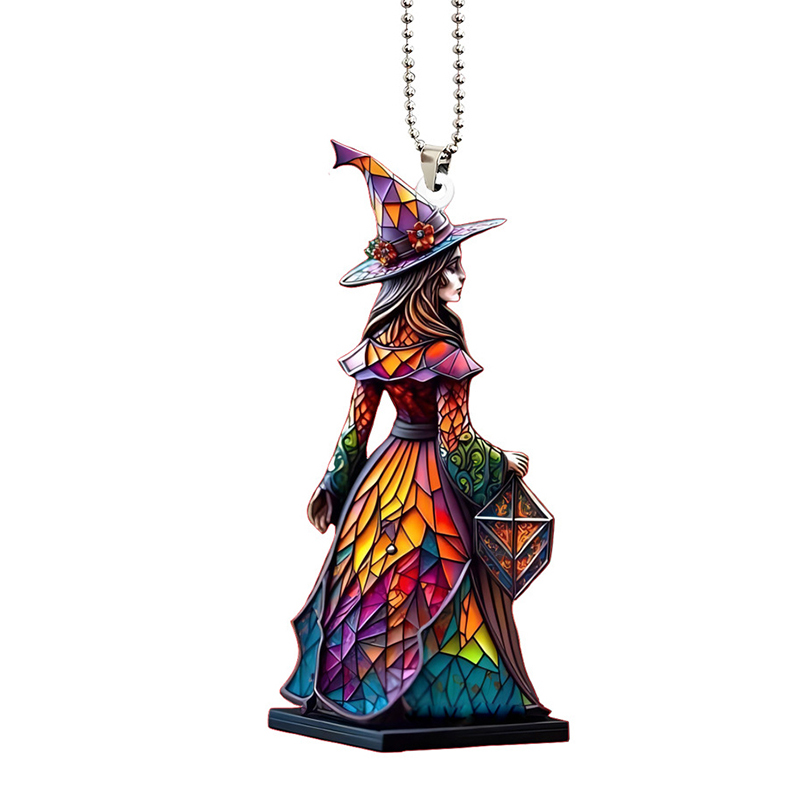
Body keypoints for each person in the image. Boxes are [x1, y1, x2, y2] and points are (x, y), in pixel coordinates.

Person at [280, 142, 549, 722]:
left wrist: (333, 486)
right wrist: (503, 462)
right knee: (436, 581)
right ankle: (439, 697)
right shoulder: (444, 352)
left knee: (372, 584)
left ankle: (365, 684)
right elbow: (456, 445)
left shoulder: (378, 346)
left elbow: (356, 430)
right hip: (431, 487)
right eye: (450, 266)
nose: (462, 275)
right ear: (424, 278)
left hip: (381, 483)